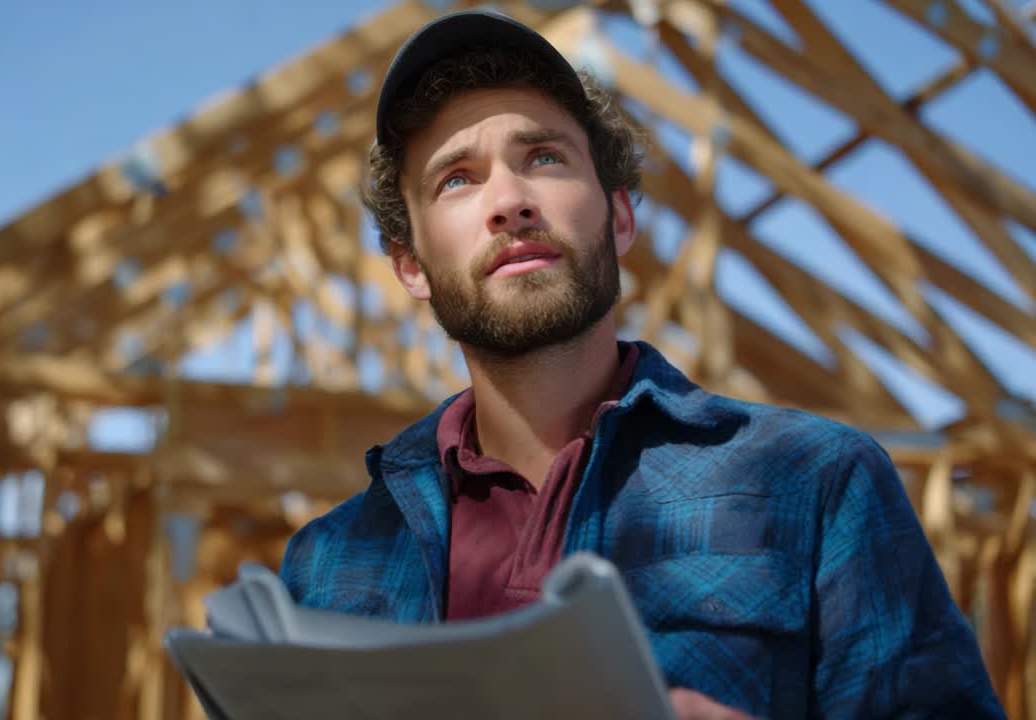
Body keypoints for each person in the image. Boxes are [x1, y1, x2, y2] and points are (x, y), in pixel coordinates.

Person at [278, 10, 1002, 719]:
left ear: (620, 218)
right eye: (456, 180)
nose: (509, 201)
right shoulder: (328, 565)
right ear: (411, 267)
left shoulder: (815, 485)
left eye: (544, 158)